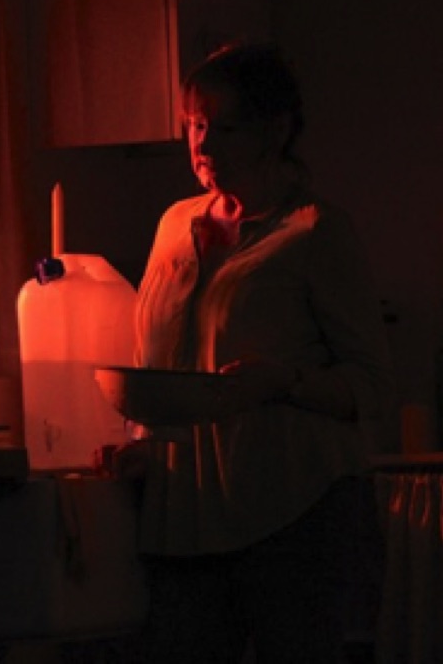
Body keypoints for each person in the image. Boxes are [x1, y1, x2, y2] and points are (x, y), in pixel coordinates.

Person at [128, 43, 395, 663]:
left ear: (274, 132)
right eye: (194, 124)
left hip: (291, 510)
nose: (203, 143)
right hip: (184, 517)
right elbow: (157, 361)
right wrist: (142, 439)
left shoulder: (314, 232)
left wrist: (283, 382)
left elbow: (372, 384)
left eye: (225, 128)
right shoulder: (174, 227)